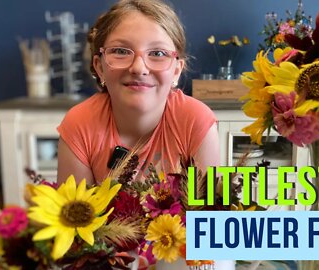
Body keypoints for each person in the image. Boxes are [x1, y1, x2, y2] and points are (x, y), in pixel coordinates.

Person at [56, 0, 219, 185]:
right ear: (99, 67)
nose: (139, 68)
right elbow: (74, 210)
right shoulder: (80, 124)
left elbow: (209, 209)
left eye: (157, 53)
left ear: (176, 70)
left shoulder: (195, 121)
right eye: (121, 51)